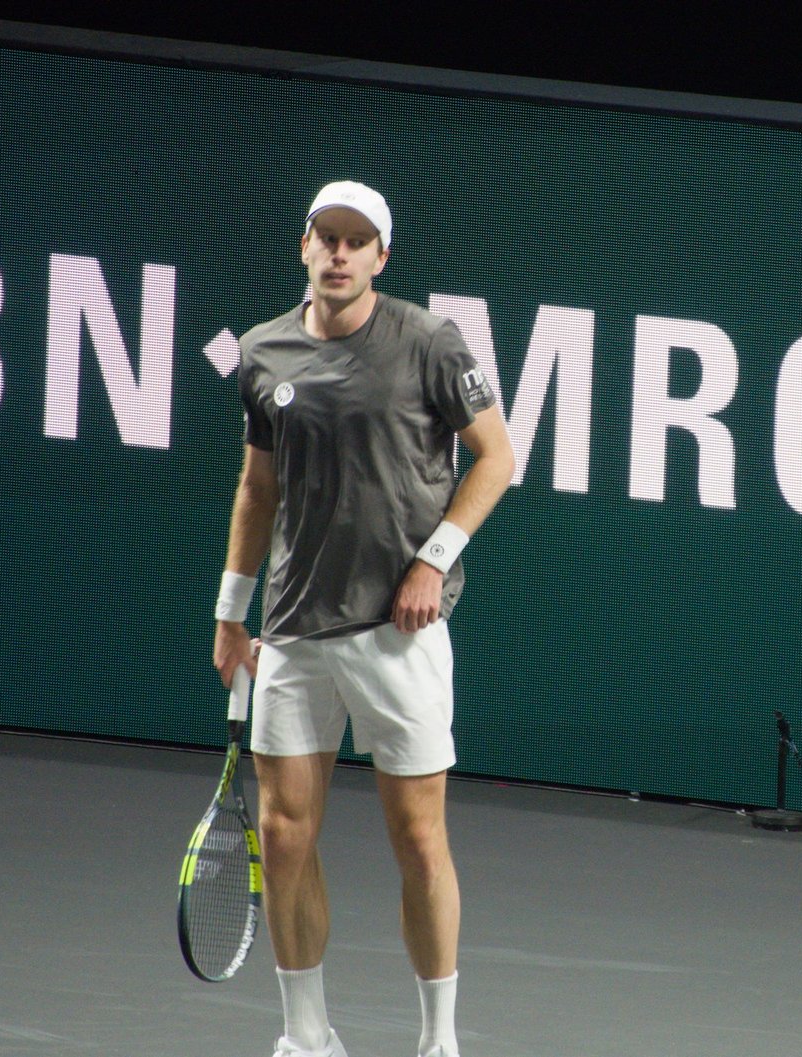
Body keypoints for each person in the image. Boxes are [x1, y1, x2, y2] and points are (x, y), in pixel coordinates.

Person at [212, 180, 515, 1057]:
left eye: (357, 242)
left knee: (420, 840)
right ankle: (308, 1039)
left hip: (399, 632)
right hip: (296, 629)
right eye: (325, 238)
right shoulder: (262, 351)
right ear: (303, 246)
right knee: (282, 832)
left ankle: (437, 1042)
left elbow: (497, 456)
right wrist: (234, 611)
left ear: (382, 256)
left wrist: (435, 558)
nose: (338, 254)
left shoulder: (429, 341)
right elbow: (257, 489)